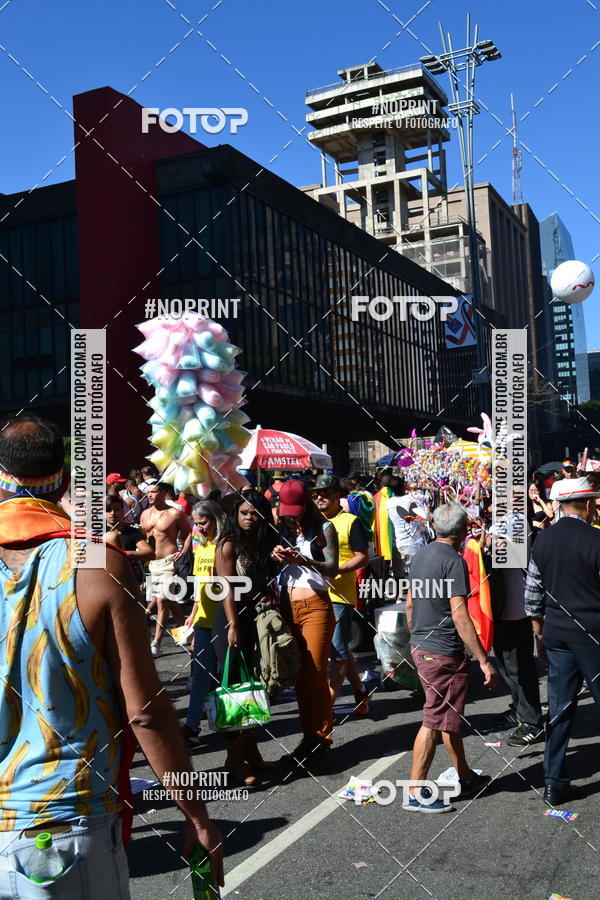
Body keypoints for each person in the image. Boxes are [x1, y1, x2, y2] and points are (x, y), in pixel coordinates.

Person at [0, 412, 223, 897]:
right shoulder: (98, 565)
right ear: (61, 478)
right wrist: (197, 816)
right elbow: (144, 713)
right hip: (64, 822)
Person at [405, 503, 497, 813]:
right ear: (462, 531)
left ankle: (465, 775)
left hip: (423, 646)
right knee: (434, 720)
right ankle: (414, 792)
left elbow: (409, 605)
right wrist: (483, 658)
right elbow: (460, 614)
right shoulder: (453, 561)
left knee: (447, 718)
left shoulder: (419, 556)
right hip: (442, 651)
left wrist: (415, 637)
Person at [524, 476, 600, 806]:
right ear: (586, 505)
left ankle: (553, 782)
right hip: (592, 633)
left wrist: (539, 634)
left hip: (556, 632)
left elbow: (532, 595)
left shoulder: (543, 540)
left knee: (559, 708)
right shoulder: (596, 540)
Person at [212, 490, 279, 786]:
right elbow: (226, 587)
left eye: (255, 513)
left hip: (257, 620)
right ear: (235, 514)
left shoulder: (263, 541)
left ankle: (250, 751)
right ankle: (234, 760)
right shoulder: (229, 544)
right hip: (230, 621)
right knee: (234, 691)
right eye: (244, 513)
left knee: (257, 687)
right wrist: (233, 624)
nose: (249, 518)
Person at [274, 479, 338, 767]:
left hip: (316, 607)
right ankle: (308, 736)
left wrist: (304, 561)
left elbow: (333, 569)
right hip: (288, 605)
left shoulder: (324, 528)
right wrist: (277, 557)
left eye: (296, 508)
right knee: (299, 676)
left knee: (315, 672)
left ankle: (322, 737)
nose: (292, 514)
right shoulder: (284, 528)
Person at [311, 475, 370, 713]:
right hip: (313, 593)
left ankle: (326, 706)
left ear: (337, 495)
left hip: (339, 595)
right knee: (340, 648)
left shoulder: (350, 522)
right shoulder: (311, 522)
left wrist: (338, 569)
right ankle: (361, 693)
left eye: (325, 493)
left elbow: (363, 556)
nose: (320, 497)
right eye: (316, 494)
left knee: (336, 653)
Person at [182, 500, 226, 744]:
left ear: (216, 518)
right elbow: (200, 585)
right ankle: (191, 725)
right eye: (196, 524)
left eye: (204, 522)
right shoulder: (201, 547)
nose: (199, 528)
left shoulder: (225, 545)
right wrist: (193, 611)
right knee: (200, 673)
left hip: (223, 619)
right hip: (202, 619)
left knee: (222, 673)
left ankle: (227, 721)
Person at [492, 567, 544, 746]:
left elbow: (511, 556)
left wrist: (493, 544)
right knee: (505, 666)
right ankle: (518, 710)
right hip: (499, 607)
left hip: (517, 608)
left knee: (520, 668)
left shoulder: (516, 537)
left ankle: (532, 724)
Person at [140, 482, 192, 657]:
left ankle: (155, 642)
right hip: (151, 564)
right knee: (170, 603)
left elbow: (188, 533)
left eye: (153, 492)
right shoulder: (145, 514)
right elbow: (142, 536)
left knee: (162, 601)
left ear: (162, 493)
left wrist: (183, 553)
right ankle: (189, 632)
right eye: (148, 493)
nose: (150, 495)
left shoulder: (174, 513)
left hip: (169, 562)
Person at [104, 495, 154, 587]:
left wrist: (125, 554)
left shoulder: (132, 532)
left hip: (129, 579)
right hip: (106, 580)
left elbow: (150, 553)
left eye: (116, 509)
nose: (112, 513)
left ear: (123, 511)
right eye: (108, 510)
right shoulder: (98, 533)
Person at [386, 476, 429, 580]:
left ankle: (399, 595)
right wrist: (427, 510)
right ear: (404, 486)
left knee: (399, 576)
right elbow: (425, 519)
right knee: (417, 577)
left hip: (398, 543)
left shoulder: (388, 502)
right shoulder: (411, 500)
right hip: (413, 544)